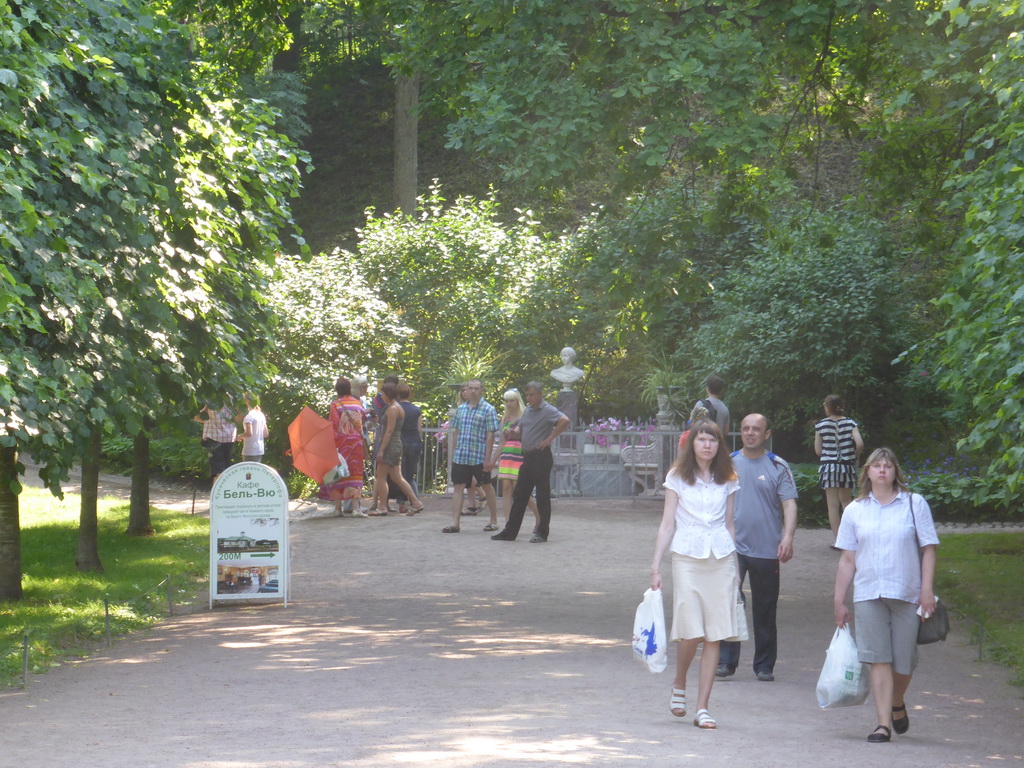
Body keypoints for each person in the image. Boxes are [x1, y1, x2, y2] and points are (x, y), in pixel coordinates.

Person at [833, 447, 938, 743]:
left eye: (887, 466)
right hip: (868, 592)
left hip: (907, 593)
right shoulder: (855, 509)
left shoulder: (913, 504)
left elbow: (929, 548)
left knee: (904, 663)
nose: (882, 471)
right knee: (878, 659)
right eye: (876, 466)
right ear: (867, 472)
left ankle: (896, 702)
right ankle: (883, 724)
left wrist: (926, 590)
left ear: (895, 472)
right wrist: (839, 600)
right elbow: (847, 559)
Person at [649, 419, 741, 730]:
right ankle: (679, 683)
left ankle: (703, 707)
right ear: (693, 444)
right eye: (702, 439)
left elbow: (730, 524)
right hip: (686, 555)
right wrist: (655, 566)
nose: (707, 445)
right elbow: (666, 524)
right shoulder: (677, 477)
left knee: (715, 633)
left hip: (721, 557)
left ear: (719, 445)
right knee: (690, 629)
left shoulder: (727, 477)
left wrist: (736, 567)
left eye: (712, 440)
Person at [717, 414, 797, 682]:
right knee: (729, 603)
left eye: (756, 429)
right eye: (746, 429)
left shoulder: (778, 466)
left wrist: (787, 537)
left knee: (765, 608)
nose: (750, 433)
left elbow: (789, 504)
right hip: (732, 548)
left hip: (766, 549)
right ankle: (726, 662)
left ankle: (764, 665)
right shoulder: (728, 464)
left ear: (767, 434)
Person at [491, 381, 569, 543]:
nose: (529, 397)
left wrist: (549, 439)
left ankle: (542, 532)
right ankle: (510, 532)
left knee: (542, 495)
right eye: (527, 394)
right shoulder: (528, 411)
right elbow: (522, 430)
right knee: (520, 494)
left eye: (532, 394)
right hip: (527, 456)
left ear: (540, 394)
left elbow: (565, 420)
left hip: (541, 456)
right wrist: (514, 433)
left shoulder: (547, 409)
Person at [444, 379, 501, 533]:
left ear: (482, 390)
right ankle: (455, 522)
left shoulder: (488, 409)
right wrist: (454, 452)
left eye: (476, 388)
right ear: (466, 390)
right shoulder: (461, 409)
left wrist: (487, 458)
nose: (473, 391)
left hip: (479, 455)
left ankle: (493, 520)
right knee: (458, 487)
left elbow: (490, 435)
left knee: (486, 486)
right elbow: (456, 432)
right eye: (470, 388)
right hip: (462, 455)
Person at [815, 394, 864, 548]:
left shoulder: (821, 425)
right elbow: (860, 443)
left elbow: (817, 451)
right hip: (846, 467)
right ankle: (853, 537)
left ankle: (839, 541)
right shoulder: (850, 423)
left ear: (827, 407)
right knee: (847, 502)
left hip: (829, 467)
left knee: (832, 505)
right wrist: (855, 457)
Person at [370, 382, 424, 516]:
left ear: (388, 394)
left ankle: (382, 507)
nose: (381, 397)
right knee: (398, 477)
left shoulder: (393, 409)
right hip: (396, 445)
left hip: (391, 445)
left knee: (381, 476)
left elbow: (389, 431)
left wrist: (381, 450)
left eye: (382, 394)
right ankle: (416, 502)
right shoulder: (396, 407)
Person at [318, 377, 369, 517]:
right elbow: (362, 420)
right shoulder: (358, 404)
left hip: (342, 444)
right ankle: (356, 509)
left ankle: (337, 509)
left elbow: (333, 426)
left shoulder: (336, 405)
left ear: (337, 390)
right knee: (356, 472)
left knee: (339, 473)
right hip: (357, 443)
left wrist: (331, 446)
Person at [492, 388, 540, 532]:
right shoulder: (505, 419)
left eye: (511, 400)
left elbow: (530, 438)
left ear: (518, 401)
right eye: (506, 401)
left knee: (521, 491)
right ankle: (509, 524)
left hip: (520, 455)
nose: (508, 404)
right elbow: (501, 442)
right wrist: (493, 460)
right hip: (507, 456)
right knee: (506, 489)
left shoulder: (525, 417)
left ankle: (539, 517)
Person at [394, 383, 424, 516]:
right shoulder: (417, 410)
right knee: (410, 475)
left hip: (401, 442)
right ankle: (414, 501)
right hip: (415, 443)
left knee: (400, 475)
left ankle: (402, 504)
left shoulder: (396, 409)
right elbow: (419, 429)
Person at [194, 398, 236, 481]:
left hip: (215, 438)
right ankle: (221, 491)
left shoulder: (211, 399)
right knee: (227, 468)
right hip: (229, 437)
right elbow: (241, 415)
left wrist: (210, 421)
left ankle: (218, 492)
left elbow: (198, 417)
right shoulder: (232, 398)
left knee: (218, 470)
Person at [237, 393, 269, 463]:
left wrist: (238, 436)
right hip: (259, 449)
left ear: (247, 401)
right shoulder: (260, 414)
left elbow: (249, 433)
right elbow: (265, 434)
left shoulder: (249, 415)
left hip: (250, 450)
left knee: (248, 472)